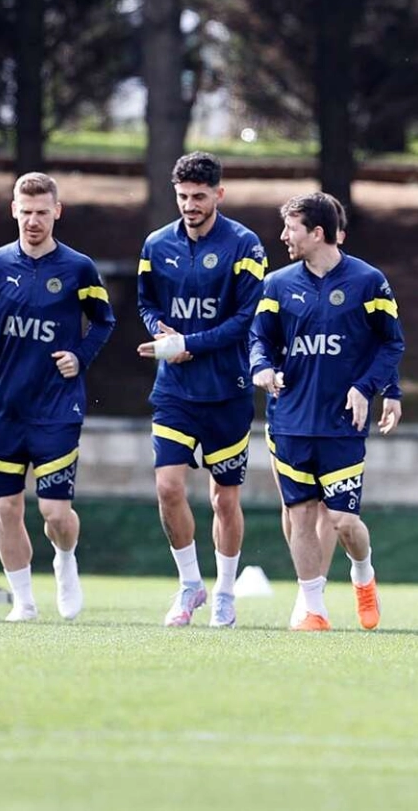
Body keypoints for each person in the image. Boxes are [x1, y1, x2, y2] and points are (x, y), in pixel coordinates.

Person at [0, 173, 115, 622]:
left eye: (42, 212)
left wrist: (80, 356)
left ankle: (65, 560)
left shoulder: (78, 268)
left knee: (55, 512)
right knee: (6, 507)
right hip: (6, 408)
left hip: (58, 407)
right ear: (13, 210)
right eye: (26, 212)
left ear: (57, 212)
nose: (33, 221)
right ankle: (23, 601)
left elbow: (104, 321)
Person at [250, 192, 403, 631]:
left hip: (341, 423)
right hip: (289, 420)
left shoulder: (368, 282)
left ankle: (363, 574)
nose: (283, 237)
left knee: (343, 521)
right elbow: (259, 338)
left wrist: (368, 388)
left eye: (291, 229)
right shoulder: (276, 284)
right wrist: (261, 367)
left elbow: (391, 343)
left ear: (317, 233)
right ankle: (314, 608)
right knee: (299, 514)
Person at [135, 152, 267, 629]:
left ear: (218, 195)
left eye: (199, 196)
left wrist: (189, 344)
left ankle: (226, 592)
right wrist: (161, 332)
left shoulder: (245, 246)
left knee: (223, 500)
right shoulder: (156, 245)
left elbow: (246, 319)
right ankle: (190, 584)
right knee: (168, 487)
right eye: (183, 196)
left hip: (227, 390)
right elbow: (146, 303)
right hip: (174, 391)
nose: (190, 205)